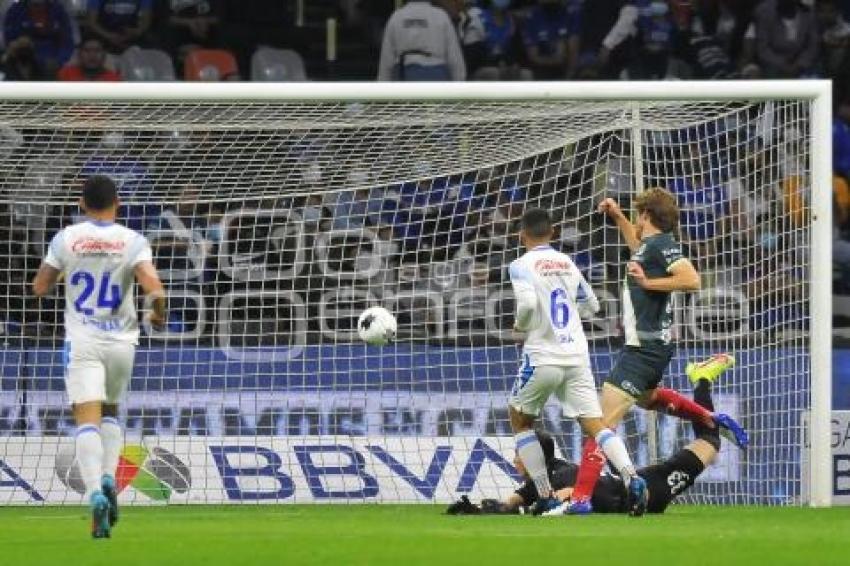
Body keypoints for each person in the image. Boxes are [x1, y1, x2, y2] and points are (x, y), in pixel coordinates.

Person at [563, 189, 748, 515]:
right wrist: (618, 217)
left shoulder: (662, 245)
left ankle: (579, 500)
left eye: (636, 214)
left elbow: (692, 279)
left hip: (643, 350)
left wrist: (649, 285)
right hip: (652, 347)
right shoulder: (649, 248)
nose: (635, 220)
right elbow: (638, 251)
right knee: (648, 398)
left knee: (599, 425)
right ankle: (707, 416)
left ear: (647, 214)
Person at [31, 175, 166, 538]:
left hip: (83, 340)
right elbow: (154, 287)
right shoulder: (132, 240)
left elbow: (39, 287)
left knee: (85, 416)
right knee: (110, 411)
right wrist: (157, 313)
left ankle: (95, 495)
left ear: (81, 203)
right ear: (117, 202)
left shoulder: (67, 238)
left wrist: (68, 271)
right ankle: (109, 477)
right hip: (122, 343)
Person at [447, 355, 742, 515]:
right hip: (641, 495)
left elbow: (584, 493)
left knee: (710, 442)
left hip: (651, 491)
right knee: (705, 441)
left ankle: (701, 378)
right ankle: (699, 384)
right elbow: (509, 504)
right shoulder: (534, 485)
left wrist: (563, 499)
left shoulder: (562, 473)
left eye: (519, 455)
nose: (515, 462)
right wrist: (479, 509)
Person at [507, 207, 649, 516]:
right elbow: (593, 305)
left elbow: (529, 304)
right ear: (553, 232)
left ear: (522, 235)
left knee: (520, 419)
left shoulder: (520, 265)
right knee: (596, 425)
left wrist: (523, 323)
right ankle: (632, 478)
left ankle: (544, 495)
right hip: (576, 354)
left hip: (542, 354)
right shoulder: (567, 263)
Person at [378, 0, 466, 81]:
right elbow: (455, 59)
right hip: (435, 76)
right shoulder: (441, 16)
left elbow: (386, 61)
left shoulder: (396, 17)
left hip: (403, 76)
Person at [2, 0, 76, 74]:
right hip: (24, 64)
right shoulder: (15, 10)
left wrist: (59, 61)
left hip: (54, 63)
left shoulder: (58, 10)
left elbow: (67, 41)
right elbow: (9, 40)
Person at [753, 0, 818, 78]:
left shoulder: (808, 15)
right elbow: (763, 49)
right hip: (773, 64)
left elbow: (812, 46)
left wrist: (799, 64)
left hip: (801, 64)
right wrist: (782, 64)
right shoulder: (766, 13)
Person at [85, 0, 154, 53]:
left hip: (130, 33)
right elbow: (92, 23)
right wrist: (109, 36)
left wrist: (137, 31)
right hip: (103, 33)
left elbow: (146, 22)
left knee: (151, 46)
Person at [57, 36, 121, 81]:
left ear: (104, 55)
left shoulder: (114, 79)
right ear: (79, 54)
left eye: (97, 50)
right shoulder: (66, 73)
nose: (92, 55)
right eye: (87, 50)